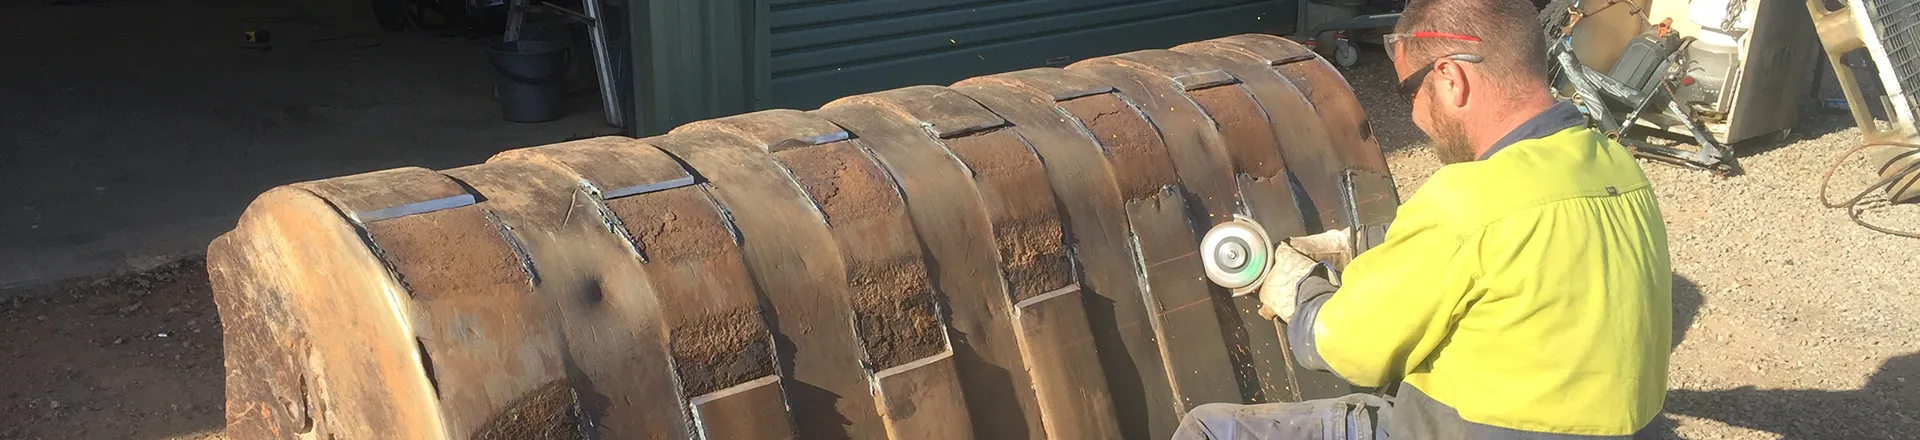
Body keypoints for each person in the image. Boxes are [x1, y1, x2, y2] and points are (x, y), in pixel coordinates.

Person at [1171, 0, 1673, 438]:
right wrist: (1367, 244)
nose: (1413, 116)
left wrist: (1301, 290)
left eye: (1408, 92)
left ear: (1450, 78)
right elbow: (1521, 251)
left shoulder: (1469, 199)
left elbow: (1347, 348)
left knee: (1210, 428)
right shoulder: (1617, 168)